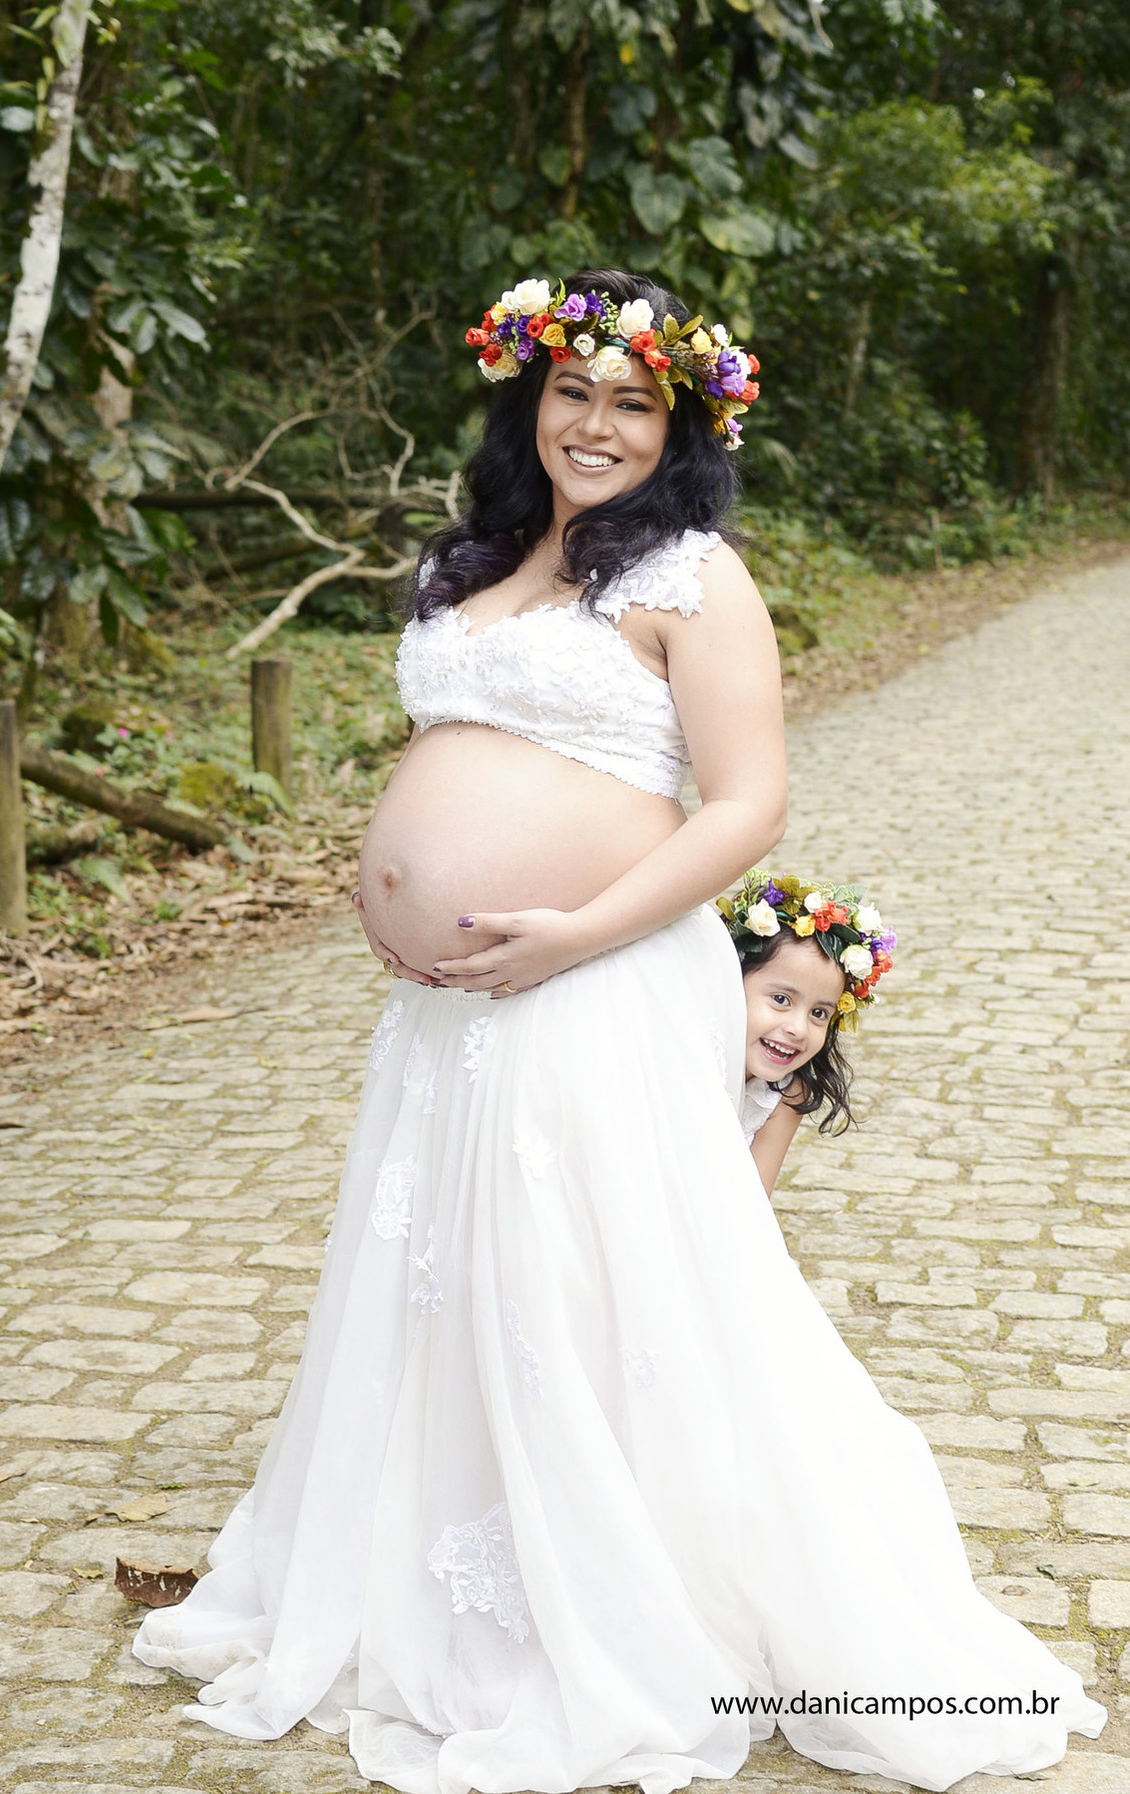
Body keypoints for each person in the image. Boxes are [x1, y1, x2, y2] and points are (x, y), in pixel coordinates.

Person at [133, 269, 1104, 1793]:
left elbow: (749, 801)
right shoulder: (482, 559)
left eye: (632, 401)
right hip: (444, 1019)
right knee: (446, 1278)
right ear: (529, 397)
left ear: (682, 426)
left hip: (596, 980)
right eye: (572, 391)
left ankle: (617, 1590)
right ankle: (426, 1563)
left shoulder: (694, 579)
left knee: (576, 1276)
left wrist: (581, 927)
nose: (595, 423)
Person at [719, 869, 895, 1195]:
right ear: (730, 982)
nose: (798, 1029)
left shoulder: (788, 1093)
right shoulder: (683, 1057)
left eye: (819, 1013)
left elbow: (752, 1201)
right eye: (781, 999)